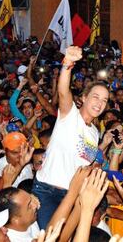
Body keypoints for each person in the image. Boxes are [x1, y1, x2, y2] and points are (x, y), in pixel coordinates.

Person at [33, 46, 109, 229]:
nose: (99, 103)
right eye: (96, 97)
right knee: (50, 236)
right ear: (83, 98)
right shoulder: (70, 114)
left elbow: (82, 162)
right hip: (48, 191)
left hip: (72, 194)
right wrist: (67, 64)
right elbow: (63, 91)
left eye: (104, 100)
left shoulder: (95, 132)